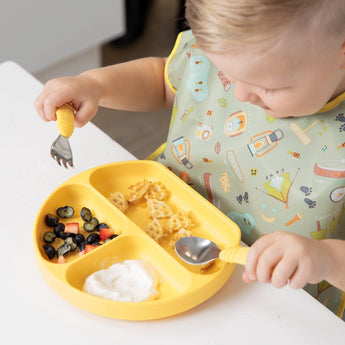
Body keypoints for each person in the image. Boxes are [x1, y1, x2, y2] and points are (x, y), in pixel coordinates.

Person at [34, 0, 345, 318]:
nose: (239, 95)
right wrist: (96, 85)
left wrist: (325, 259)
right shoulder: (236, 52)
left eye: (268, 87)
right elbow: (164, 80)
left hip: (275, 293)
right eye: (225, 73)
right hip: (170, 232)